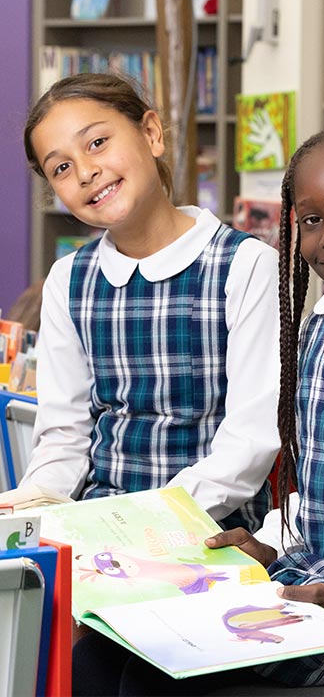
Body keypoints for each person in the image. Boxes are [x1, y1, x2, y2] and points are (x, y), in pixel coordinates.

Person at [72, 119, 324, 694]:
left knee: (160, 677)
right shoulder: (322, 323)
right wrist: (273, 543)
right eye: (313, 219)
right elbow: (315, 487)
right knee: (101, 651)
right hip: (312, 585)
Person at [16, 72, 280, 536]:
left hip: (212, 533)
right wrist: (34, 510)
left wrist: (147, 523)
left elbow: (250, 446)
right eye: (61, 167)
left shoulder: (246, 265)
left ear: (151, 133)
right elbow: (64, 438)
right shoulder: (68, 281)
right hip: (95, 529)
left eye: (97, 142)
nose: (85, 172)